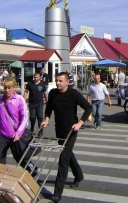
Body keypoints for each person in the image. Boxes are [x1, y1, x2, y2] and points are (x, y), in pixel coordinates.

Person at [41, 72, 92, 203]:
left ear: (66, 82)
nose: (57, 83)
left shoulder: (73, 94)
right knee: (68, 154)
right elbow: (49, 109)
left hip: (71, 130)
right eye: (56, 80)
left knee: (63, 159)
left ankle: (57, 193)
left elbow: (88, 107)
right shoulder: (53, 93)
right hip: (59, 130)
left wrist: (79, 123)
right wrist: (46, 120)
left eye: (60, 81)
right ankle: (79, 175)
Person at [0, 77, 32, 169]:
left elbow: (25, 118)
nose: (7, 90)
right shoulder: (0, 100)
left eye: (9, 88)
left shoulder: (19, 99)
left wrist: (18, 133)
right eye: (5, 88)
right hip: (1, 134)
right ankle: (1, 180)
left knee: (20, 158)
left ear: (14, 88)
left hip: (15, 135)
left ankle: (32, 172)